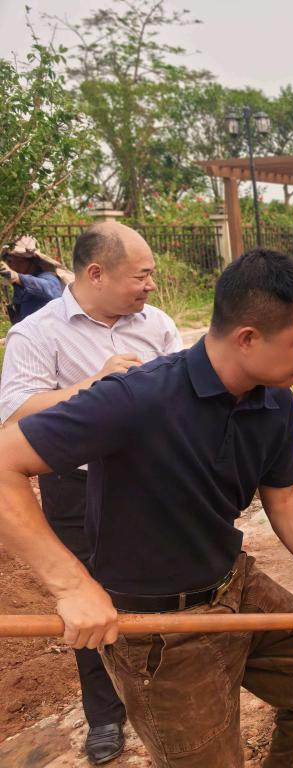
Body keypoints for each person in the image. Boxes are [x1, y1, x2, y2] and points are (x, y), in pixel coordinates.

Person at [0, 249, 293, 768]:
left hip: (234, 584)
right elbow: (4, 464)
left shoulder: (275, 403)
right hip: (157, 629)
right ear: (247, 338)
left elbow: (283, 496)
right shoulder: (137, 399)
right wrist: (72, 586)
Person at [0, 222, 181, 764]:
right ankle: (104, 714)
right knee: (87, 597)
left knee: (162, 586)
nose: (151, 286)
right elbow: (16, 413)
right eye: (141, 276)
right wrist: (93, 388)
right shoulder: (37, 333)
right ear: (96, 274)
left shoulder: (158, 325)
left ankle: (168, 690)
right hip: (76, 485)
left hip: (151, 480)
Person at [1, 235, 64, 323]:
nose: (13, 266)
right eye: (10, 261)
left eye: (20, 261)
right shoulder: (19, 284)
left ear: (33, 261)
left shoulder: (47, 276)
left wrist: (17, 277)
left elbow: (52, 291)